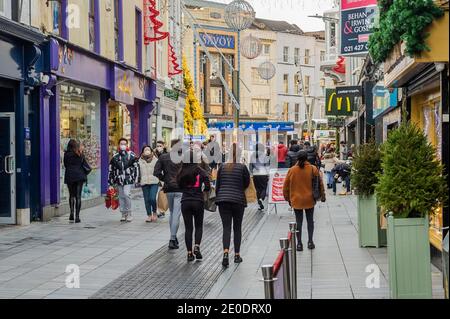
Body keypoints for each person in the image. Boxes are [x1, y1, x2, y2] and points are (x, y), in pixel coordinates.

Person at [216, 143, 251, 267]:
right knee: (237, 228)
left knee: (226, 228)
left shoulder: (222, 167)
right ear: (240, 154)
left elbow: (218, 184)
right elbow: (247, 183)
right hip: (238, 201)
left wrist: (218, 197)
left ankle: (225, 253)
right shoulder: (242, 168)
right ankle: (237, 255)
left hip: (223, 200)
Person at [283, 150, 325, 251]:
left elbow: (285, 186)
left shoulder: (292, 170)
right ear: (307, 158)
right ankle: (310, 241)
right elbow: (320, 183)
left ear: (297, 158)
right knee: (310, 221)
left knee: (299, 222)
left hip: (296, 199)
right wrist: (322, 195)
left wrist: (287, 198)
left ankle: (299, 244)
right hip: (310, 199)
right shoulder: (313, 168)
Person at [177, 151, 211, 262]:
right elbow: (207, 186)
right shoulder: (200, 171)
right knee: (199, 226)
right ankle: (197, 246)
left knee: (188, 228)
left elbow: (179, 185)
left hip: (185, 201)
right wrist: (203, 190)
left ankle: (189, 253)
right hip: (198, 201)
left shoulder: (181, 171)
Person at [154, 139, 183, 250]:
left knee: (172, 212)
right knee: (176, 213)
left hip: (169, 188)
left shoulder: (164, 157)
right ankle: (172, 238)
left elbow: (156, 172)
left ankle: (173, 237)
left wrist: (165, 179)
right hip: (180, 188)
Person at [108, 138, 140, 222]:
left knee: (126, 194)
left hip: (128, 179)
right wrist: (110, 181)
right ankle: (123, 213)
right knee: (121, 196)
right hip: (118, 179)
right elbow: (111, 169)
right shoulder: (115, 156)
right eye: (121, 144)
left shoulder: (131, 155)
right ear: (119, 145)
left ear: (127, 145)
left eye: (124, 144)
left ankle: (129, 213)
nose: (123, 145)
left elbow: (136, 167)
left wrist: (136, 178)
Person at [64, 139, 89, 223]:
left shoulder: (66, 154)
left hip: (70, 176)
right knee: (78, 196)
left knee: (71, 195)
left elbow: (65, 164)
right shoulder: (80, 154)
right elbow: (85, 164)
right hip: (79, 176)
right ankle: (77, 217)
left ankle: (71, 213)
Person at [138, 145, 160, 223]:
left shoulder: (156, 159)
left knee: (152, 198)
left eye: (148, 150)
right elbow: (137, 171)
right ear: (143, 152)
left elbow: (160, 170)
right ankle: (149, 215)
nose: (147, 151)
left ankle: (154, 212)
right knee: (146, 200)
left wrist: (162, 181)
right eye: (145, 150)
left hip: (154, 181)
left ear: (151, 151)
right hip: (144, 182)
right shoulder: (139, 160)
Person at [249, 143, 271, 211]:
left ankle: (259, 203)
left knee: (257, 189)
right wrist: (268, 173)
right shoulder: (264, 155)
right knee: (264, 188)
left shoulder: (252, 155)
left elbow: (250, 166)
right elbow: (267, 165)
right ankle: (261, 199)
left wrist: (251, 173)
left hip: (256, 174)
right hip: (263, 173)